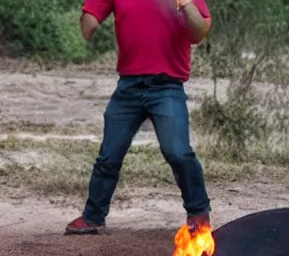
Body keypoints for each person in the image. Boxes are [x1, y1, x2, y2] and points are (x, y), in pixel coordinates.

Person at [65, 0, 212, 235]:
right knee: (108, 157)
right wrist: (90, 14)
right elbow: (87, 29)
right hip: (128, 87)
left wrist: (185, 3)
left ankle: (199, 213)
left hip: (167, 87)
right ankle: (93, 217)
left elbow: (199, 34)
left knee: (178, 152)